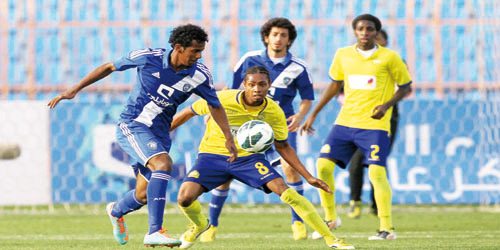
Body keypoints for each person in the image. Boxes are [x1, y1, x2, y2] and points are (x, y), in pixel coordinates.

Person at [47, 24, 238, 247]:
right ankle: (155, 231)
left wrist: (228, 137)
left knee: (143, 195)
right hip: (132, 124)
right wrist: (73, 90)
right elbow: (109, 67)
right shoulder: (148, 58)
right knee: (163, 163)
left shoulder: (200, 75)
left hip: (160, 134)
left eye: (201, 52)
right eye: (194, 51)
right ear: (178, 47)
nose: (198, 56)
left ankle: (116, 210)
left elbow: (215, 105)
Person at [170, 66, 354, 249]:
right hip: (212, 156)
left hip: (249, 159)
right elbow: (187, 112)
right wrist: (163, 134)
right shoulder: (223, 98)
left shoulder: (274, 111)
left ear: (269, 85)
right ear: (244, 85)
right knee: (184, 198)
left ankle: (331, 240)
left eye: (261, 84)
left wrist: (309, 177)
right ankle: (200, 225)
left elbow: (283, 146)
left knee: (285, 190)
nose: (256, 89)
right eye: (252, 84)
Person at [201, 17, 314, 242]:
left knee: (289, 168)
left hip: (277, 125)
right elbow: (231, 90)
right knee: (226, 174)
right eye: (275, 34)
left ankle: (298, 222)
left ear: (290, 39)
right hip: (244, 125)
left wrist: (300, 116)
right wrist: (213, 113)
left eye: (283, 35)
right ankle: (211, 225)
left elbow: (308, 98)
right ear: (266, 37)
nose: (278, 39)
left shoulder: (298, 67)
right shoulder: (249, 60)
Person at [300, 14, 412, 240]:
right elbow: (334, 85)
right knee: (322, 166)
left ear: (376, 33)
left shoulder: (390, 58)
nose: (364, 33)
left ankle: (386, 229)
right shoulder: (343, 55)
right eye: (360, 29)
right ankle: (331, 218)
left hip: (374, 125)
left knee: (376, 172)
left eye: (369, 29)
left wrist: (386, 105)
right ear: (354, 31)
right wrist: (313, 114)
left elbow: (405, 87)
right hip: (345, 122)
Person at [346, 29, 400, 219]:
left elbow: (402, 88)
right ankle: (355, 201)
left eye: (378, 38)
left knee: (376, 162)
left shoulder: (394, 62)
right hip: (359, 118)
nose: (373, 41)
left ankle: (377, 206)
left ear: (385, 41)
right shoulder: (357, 62)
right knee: (357, 161)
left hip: (386, 119)